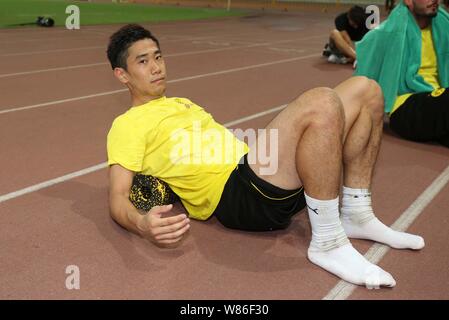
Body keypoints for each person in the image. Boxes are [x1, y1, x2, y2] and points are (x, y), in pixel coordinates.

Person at [106, 24, 425, 288]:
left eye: (158, 57)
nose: (157, 67)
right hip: (237, 195)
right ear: (122, 75)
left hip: (259, 169)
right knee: (322, 101)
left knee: (367, 89)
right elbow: (118, 197)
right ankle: (327, 242)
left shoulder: (181, 103)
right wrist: (141, 224)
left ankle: (356, 213)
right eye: (143, 61)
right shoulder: (126, 126)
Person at [355, 0, 449, 148]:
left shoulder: (444, 26)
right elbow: (365, 60)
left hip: (437, 99)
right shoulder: (389, 33)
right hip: (406, 105)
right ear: (408, 1)